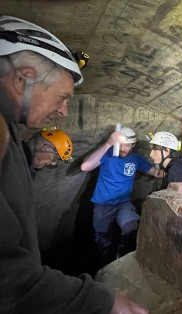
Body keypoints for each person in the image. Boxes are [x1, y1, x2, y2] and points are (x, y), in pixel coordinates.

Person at [0, 15, 148, 314]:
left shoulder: (9, 132)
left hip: (120, 206)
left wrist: (28, 163)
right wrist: (99, 301)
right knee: (101, 239)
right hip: (101, 208)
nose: (65, 111)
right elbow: (9, 282)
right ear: (23, 77)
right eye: (62, 97)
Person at [80, 127, 159, 269]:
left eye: (127, 145)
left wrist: (174, 169)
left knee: (132, 229)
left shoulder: (136, 159)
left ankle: (126, 265)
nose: (123, 148)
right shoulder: (108, 154)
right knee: (103, 240)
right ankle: (105, 270)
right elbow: (85, 166)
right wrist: (108, 143)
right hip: (103, 204)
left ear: (133, 145)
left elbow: (156, 172)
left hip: (123, 203)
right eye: (120, 144)